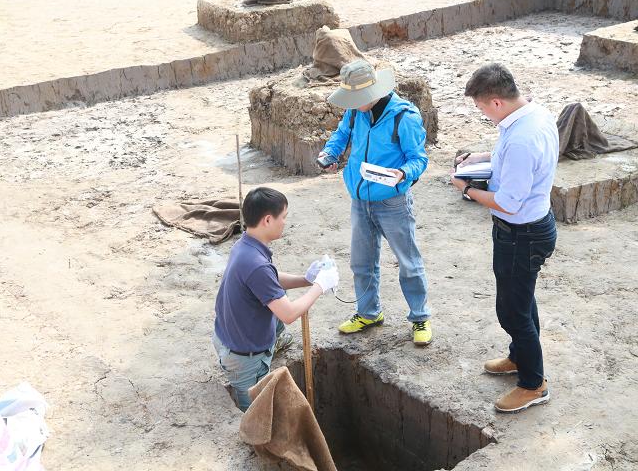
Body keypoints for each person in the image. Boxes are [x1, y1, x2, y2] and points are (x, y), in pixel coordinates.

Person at [450, 63, 558, 413]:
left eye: (481, 107)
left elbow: (509, 203)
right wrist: (480, 157)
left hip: (521, 234)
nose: (482, 113)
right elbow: (508, 157)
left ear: (496, 102)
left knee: (512, 311)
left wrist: (466, 189)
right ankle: (519, 357)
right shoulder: (532, 114)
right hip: (528, 229)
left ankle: (533, 384)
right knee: (522, 302)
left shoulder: (523, 139)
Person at [317, 59, 432, 346]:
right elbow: (341, 135)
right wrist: (330, 154)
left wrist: (403, 173)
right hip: (360, 200)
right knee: (361, 262)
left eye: (358, 98)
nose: (353, 104)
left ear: (374, 92)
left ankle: (420, 317)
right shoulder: (355, 112)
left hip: (393, 202)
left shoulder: (404, 117)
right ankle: (368, 312)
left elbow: (419, 159)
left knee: (408, 263)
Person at [212, 187, 339, 411]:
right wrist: (320, 286)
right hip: (244, 359)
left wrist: (306, 279)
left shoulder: (245, 245)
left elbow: (269, 279)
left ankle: (271, 345)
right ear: (268, 220)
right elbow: (288, 314)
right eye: (283, 217)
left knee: (280, 295)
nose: (285, 223)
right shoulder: (256, 264)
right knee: (256, 415)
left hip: (230, 336)